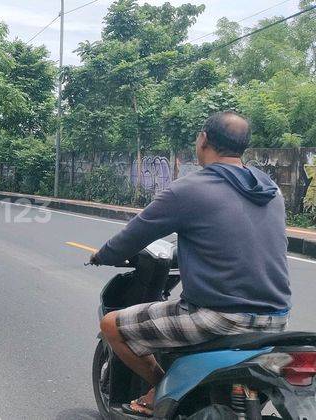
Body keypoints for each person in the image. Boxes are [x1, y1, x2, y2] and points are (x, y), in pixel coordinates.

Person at [90, 111, 291, 416]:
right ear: (243, 147)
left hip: (218, 317)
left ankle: (160, 389)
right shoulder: (271, 190)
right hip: (276, 319)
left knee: (111, 326)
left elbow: (134, 235)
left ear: (203, 140)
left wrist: (103, 256)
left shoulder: (189, 188)